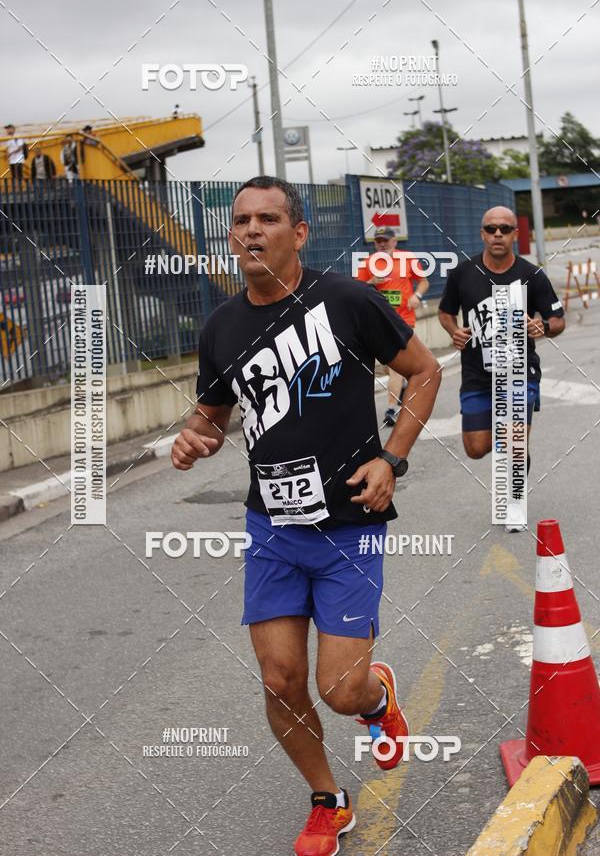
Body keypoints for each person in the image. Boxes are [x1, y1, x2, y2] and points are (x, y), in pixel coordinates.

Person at [171, 176, 441, 855]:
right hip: (272, 528)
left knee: (340, 689)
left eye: (267, 218)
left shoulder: (347, 302)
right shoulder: (221, 327)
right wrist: (192, 436)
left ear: (299, 233)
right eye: (241, 221)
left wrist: (393, 459)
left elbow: (426, 370)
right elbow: (211, 414)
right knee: (280, 679)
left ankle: (377, 698)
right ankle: (328, 799)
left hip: (348, 524)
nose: (251, 231)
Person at [438, 205, 565, 531]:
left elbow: (557, 319)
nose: (497, 234)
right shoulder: (462, 274)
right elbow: (445, 312)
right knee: (477, 448)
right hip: (477, 376)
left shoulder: (531, 275)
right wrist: (454, 331)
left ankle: (514, 499)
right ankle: (512, 449)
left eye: (505, 229)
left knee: (512, 441)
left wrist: (542, 327)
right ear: (482, 233)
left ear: (515, 234)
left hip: (520, 372)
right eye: (491, 228)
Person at [357, 227, 429, 426]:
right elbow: (356, 290)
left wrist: (417, 295)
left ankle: (391, 409)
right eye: (379, 240)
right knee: (396, 367)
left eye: (386, 240)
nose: (382, 244)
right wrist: (370, 282)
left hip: (404, 319)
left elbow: (423, 282)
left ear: (394, 242)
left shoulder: (406, 259)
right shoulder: (368, 263)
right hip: (378, 321)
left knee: (395, 366)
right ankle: (404, 385)